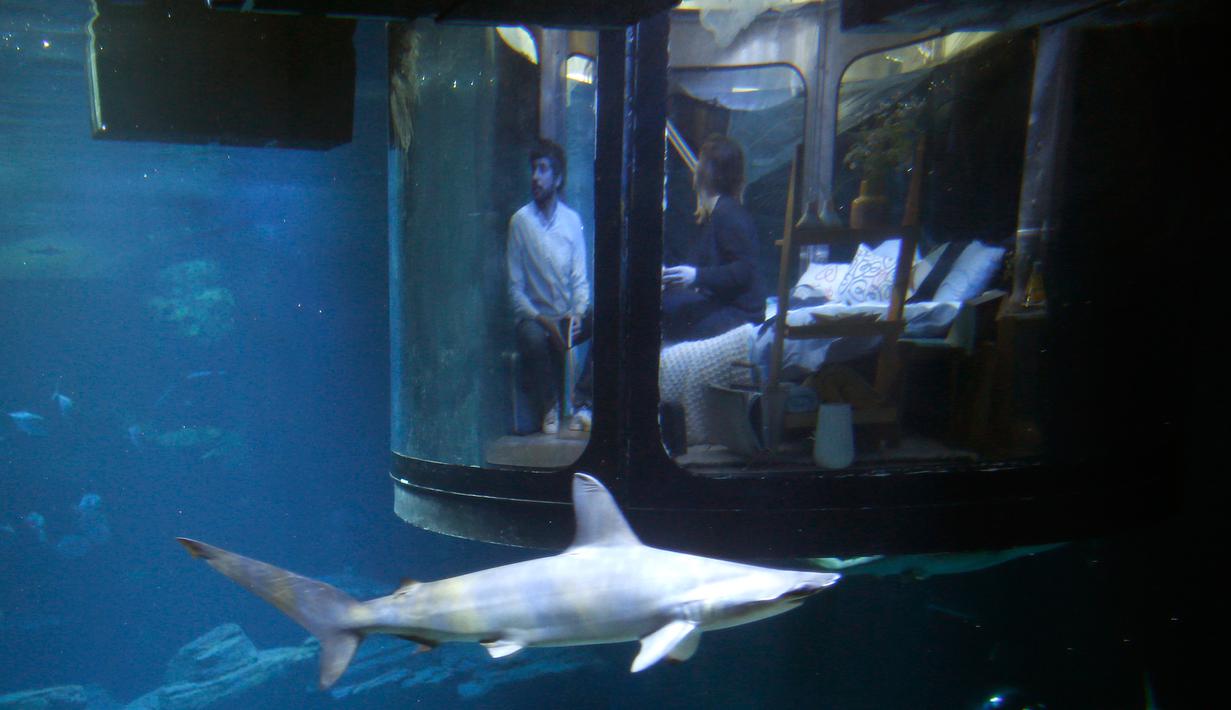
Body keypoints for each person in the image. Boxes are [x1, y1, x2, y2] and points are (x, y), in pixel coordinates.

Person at [507, 139, 593, 435]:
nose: (536, 177)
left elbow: (580, 279)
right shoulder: (520, 222)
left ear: (558, 178)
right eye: (534, 169)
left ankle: (584, 401)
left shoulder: (572, 222)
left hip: (565, 314)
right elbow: (515, 291)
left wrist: (579, 314)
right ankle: (550, 408)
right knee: (531, 337)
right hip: (535, 317)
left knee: (607, 319)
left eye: (543, 170)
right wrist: (545, 321)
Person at [661, 134, 766, 344]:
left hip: (738, 317)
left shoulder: (727, 214)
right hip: (730, 310)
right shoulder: (721, 212)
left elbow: (744, 269)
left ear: (703, 174)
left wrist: (696, 276)